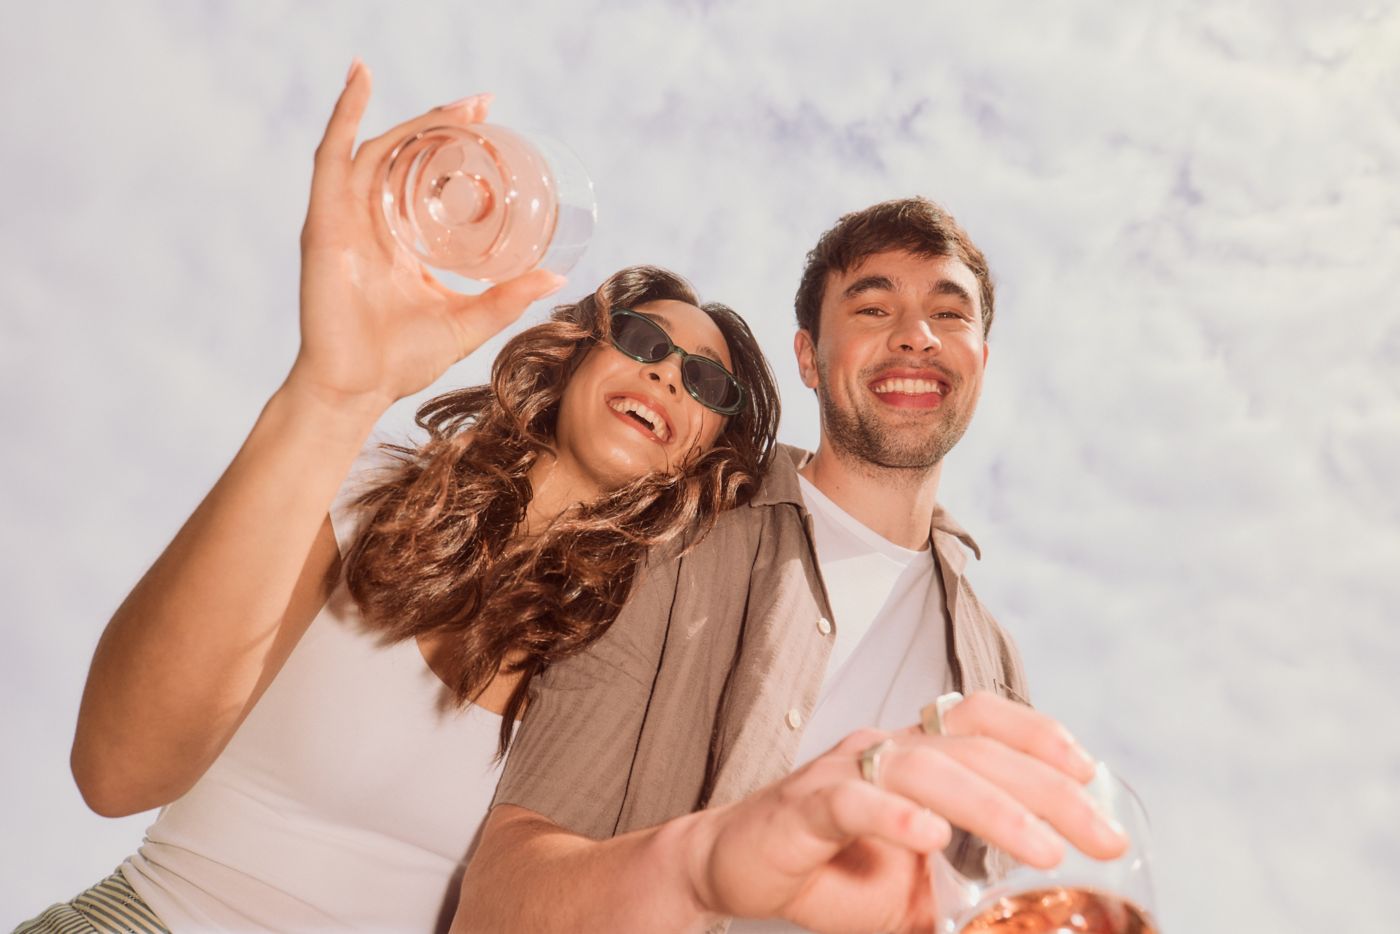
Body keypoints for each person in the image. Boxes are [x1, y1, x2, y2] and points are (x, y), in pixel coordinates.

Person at [16, 63, 780, 932]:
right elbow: (117, 770)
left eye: (709, 383)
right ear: (575, 352)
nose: (668, 372)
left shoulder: (651, 658)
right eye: (643, 337)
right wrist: (329, 395)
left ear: (710, 454)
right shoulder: (372, 491)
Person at [454, 197, 1130, 933]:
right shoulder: (675, 535)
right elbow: (500, 899)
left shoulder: (994, 667)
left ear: (981, 361)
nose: (916, 337)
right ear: (809, 357)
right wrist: (706, 866)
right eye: (874, 310)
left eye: (951, 314)